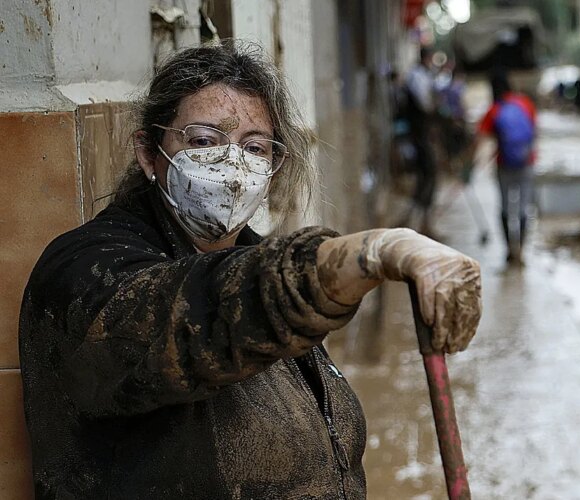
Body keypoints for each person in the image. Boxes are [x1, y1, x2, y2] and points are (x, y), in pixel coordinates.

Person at [18, 40, 481, 499]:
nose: (233, 165)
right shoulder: (84, 270)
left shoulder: (257, 259)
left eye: (254, 147)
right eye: (203, 140)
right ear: (148, 153)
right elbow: (186, 318)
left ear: (274, 166)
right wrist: (361, 256)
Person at [470, 71, 537, 266]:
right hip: (527, 162)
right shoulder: (526, 104)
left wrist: (469, 166)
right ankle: (522, 252)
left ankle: (510, 251)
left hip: (504, 164)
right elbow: (533, 133)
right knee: (524, 207)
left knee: (506, 207)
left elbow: (480, 138)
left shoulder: (494, 109)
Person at [402, 46, 440, 238]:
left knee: (428, 176)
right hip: (418, 134)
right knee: (427, 175)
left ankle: (422, 223)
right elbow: (425, 104)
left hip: (421, 133)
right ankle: (417, 224)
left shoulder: (423, 76)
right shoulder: (417, 76)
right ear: (427, 58)